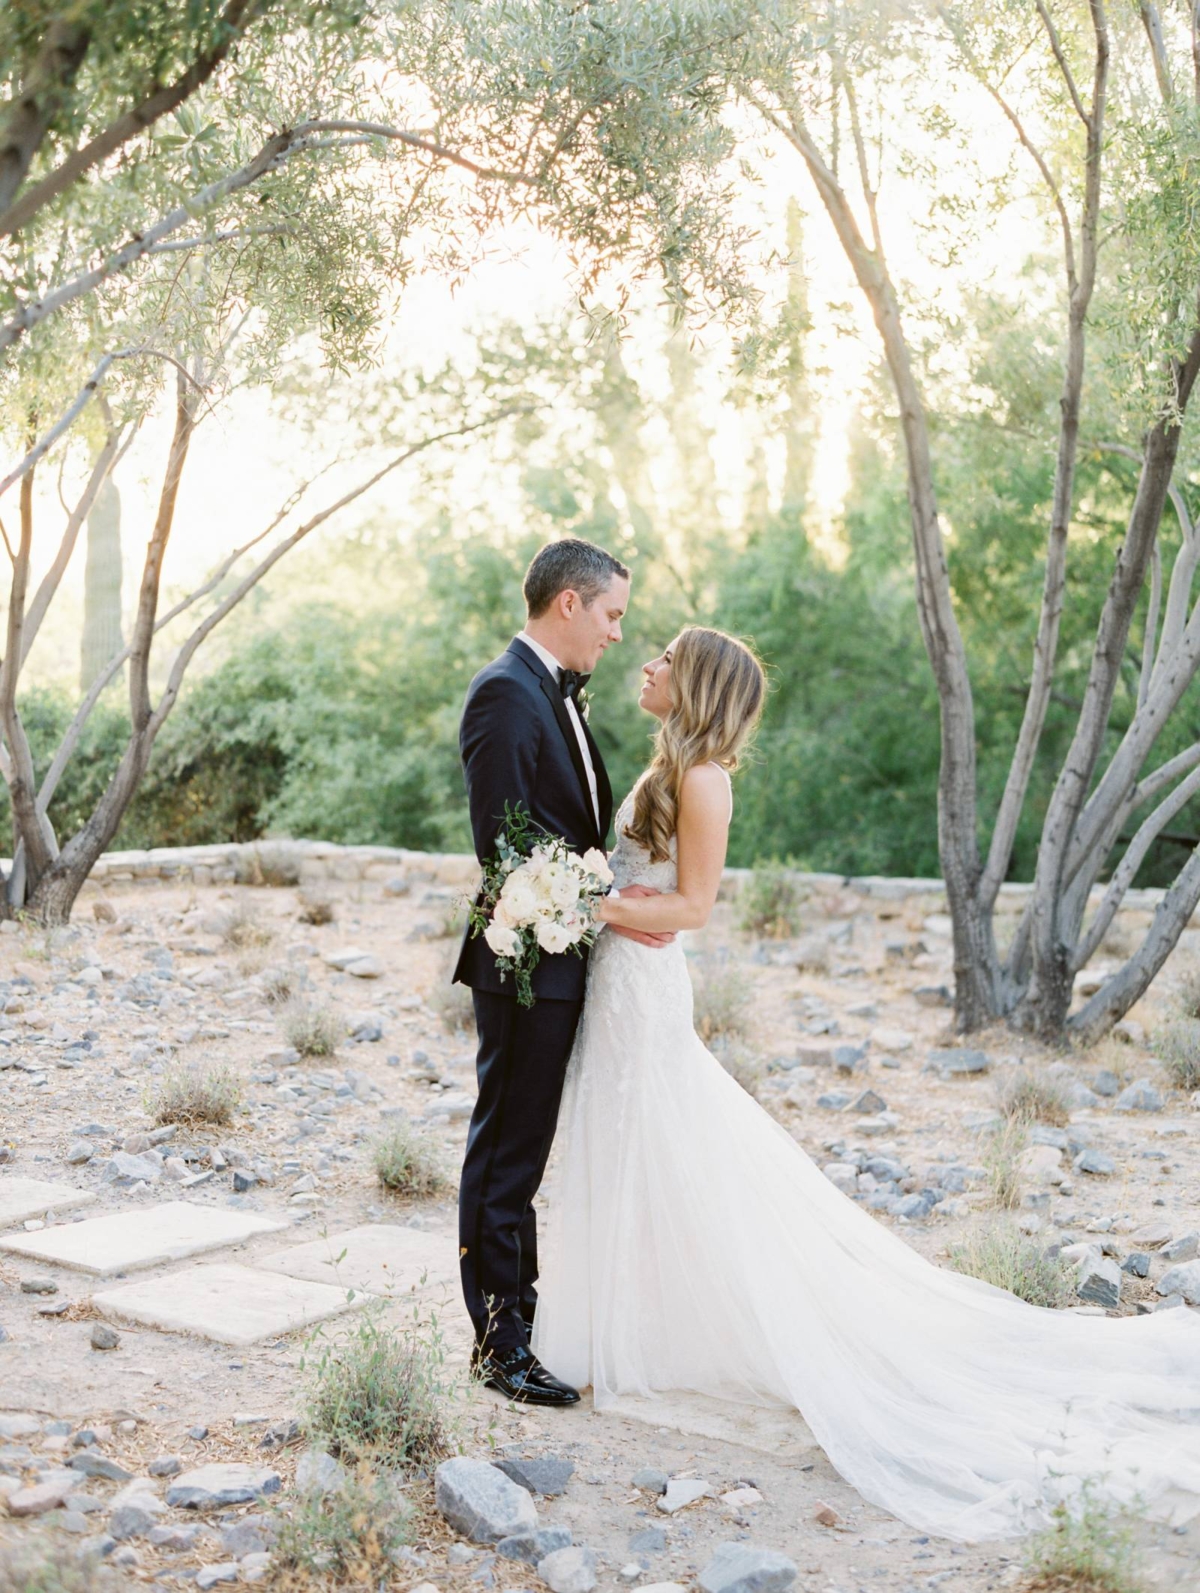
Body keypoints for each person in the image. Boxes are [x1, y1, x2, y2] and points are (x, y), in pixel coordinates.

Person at [532, 623, 1200, 1541]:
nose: (644, 665)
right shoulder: (664, 767)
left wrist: (583, 903)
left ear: (695, 687)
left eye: (664, 660)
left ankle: (668, 1332)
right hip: (619, 981)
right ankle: (629, 1327)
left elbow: (693, 907)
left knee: (671, 1147)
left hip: (644, 986)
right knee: (626, 1148)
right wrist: (602, 893)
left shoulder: (704, 779)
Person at [454, 537, 673, 1405]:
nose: (620, 634)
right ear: (570, 605)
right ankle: (498, 1345)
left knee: (528, 1149)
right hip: (521, 962)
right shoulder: (505, 695)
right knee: (507, 1151)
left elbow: (567, 832)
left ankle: (523, 1323)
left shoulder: (557, 696)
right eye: (614, 614)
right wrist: (603, 898)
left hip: (564, 958)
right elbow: (506, 846)